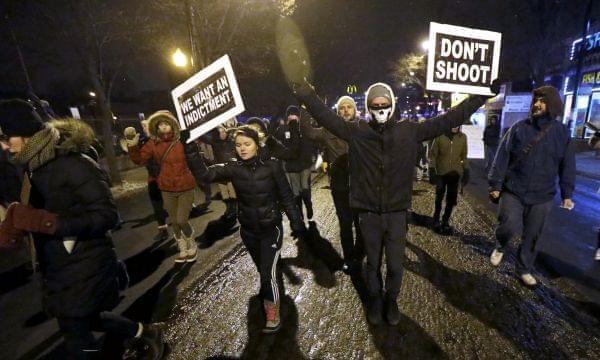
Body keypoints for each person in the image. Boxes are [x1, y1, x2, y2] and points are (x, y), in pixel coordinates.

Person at [294, 80, 493, 325]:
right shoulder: (357, 132)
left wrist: (480, 97)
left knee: (396, 266)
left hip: (397, 213)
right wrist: (305, 92)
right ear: (368, 106)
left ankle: (392, 300)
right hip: (368, 213)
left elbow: (449, 118)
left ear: (392, 104)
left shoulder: (409, 131)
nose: (380, 107)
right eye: (375, 104)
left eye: (384, 103)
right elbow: (325, 117)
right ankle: (376, 299)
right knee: (373, 264)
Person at [0, 99, 163, 359]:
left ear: (24, 131)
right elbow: (42, 211)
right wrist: (16, 222)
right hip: (59, 264)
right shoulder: (33, 166)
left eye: (7, 137)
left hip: (86, 261)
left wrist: (46, 222)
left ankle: (142, 333)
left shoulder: (74, 164)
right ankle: (144, 331)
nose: (4, 145)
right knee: (89, 319)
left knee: (76, 333)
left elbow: (108, 216)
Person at [190, 126, 306, 333]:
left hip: (271, 228)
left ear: (257, 144)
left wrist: (297, 223)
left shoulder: (272, 166)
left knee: (267, 275)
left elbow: (287, 197)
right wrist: (190, 148)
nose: (242, 149)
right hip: (249, 231)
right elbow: (206, 175)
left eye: (247, 144)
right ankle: (272, 282)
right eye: (238, 145)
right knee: (264, 269)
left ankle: (272, 311)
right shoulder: (233, 167)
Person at [488, 85, 575, 287]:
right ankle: (500, 245)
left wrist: (567, 194)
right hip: (514, 190)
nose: (537, 104)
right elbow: (502, 156)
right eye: (536, 100)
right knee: (508, 224)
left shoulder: (562, 133)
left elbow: (568, 165)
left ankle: (524, 269)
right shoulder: (519, 128)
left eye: (542, 101)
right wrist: (496, 184)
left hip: (543, 195)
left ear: (552, 104)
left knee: (532, 236)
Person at [299, 95, 364, 274]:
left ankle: (359, 256)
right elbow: (309, 132)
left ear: (355, 110)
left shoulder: (363, 128)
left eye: (348, 107)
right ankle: (350, 259)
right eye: (341, 108)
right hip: (340, 185)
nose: (345, 110)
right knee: (345, 224)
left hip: (361, 186)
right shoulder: (329, 130)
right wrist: (304, 109)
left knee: (362, 225)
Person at [125, 110, 198, 263]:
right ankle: (182, 247)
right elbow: (140, 160)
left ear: (173, 125)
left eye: (167, 124)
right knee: (173, 220)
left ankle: (191, 242)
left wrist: (189, 141)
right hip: (166, 187)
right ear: (156, 128)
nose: (164, 127)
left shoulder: (181, 140)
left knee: (181, 220)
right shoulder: (153, 143)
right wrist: (132, 145)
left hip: (185, 185)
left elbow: (194, 157)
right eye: (161, 125)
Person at [275, 106, 315, 220]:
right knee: (296, 191)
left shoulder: (303, 128)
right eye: (290, 114)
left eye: (294, 114)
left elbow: (310, 143)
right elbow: (277, 143)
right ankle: (300, 212)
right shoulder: (283, 130)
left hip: (304, 164)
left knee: (305, 187)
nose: (292, 116)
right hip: (292, 165)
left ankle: (309, 206)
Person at [428, 126, 469, 234]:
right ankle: (436, 218)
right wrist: (432, 169)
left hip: (455, 173)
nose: (455, 126)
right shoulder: (440, 136)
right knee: (439, 195)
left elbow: (464, 156)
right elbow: (433, 154)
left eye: (458, 124)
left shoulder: (463, 137)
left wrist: (466, 170)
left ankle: (445, 220)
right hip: (441, 172)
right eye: (453, 124)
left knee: (451, 198)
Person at [200, 124, 238, 219]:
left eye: (224, 131)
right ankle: (229, 209)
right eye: (220, 132)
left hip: (230, 170)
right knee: (225, 193)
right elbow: (203, 138)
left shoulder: (232, 141)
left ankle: (235, 210)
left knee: (232, 192)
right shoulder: (215, 142)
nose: (223, 134)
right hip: (220, 171)